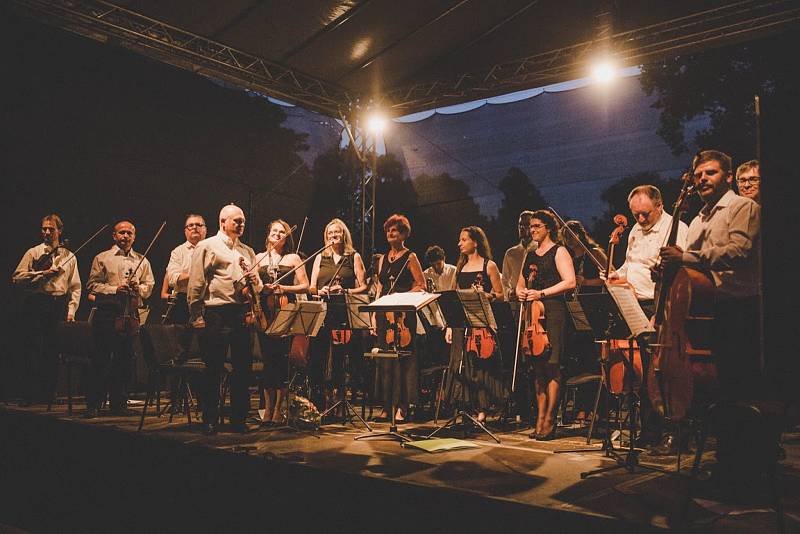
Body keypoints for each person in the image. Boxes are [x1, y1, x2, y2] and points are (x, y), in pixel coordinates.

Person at [659, 150, 761, 485]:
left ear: (728, 177)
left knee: (736, 391)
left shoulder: (742, 207)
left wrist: (686, 256)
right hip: (707, 312)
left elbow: (740, 251)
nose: (703, 179)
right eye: (698, 174)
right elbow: (691, 268)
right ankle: (724, 463)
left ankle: (743, 469)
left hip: (737, 308)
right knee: (717, 394)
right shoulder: (699, 219)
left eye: (711, 173)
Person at [607, 184, 689, 454]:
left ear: (660, 206)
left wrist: (661, 309)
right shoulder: (634, 230)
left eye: (645, 214)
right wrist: (613, 274)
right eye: (636, 215)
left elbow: (681, 272)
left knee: (663, 371)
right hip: (635, 303)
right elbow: (630, 265)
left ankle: (672, 431)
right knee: (644, 373)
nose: (640, 220)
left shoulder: (676, 228)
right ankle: (648, 430)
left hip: (661, 305)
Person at [187, 204, 262, 435]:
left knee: (242, 368)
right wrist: (196, 315)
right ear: (222, 222)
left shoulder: (248, 251)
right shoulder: (207, 245)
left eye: (243, 221)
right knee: (214, 369)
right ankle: (210, 418)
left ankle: (238, 419)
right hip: (216, 313)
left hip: (241, 314)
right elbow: (196, 283)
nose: (241, 224)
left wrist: (254, 281)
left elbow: (257, 286)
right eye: (236, 221)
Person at [516, 210, 576, 440]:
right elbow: (518, 285)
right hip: (533, 316)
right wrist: (521, 293)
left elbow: (569, 282)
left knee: (552, 367)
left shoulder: (559, 251)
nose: (533, 230)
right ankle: (539, 417)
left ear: (548, 228)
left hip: (553, 313)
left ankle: (550, 418)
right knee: (537, 370)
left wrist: (540, 293)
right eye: (531, 226)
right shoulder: (529, 255)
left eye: (537, 226)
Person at [86, 221, 155, 418]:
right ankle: (94, 403)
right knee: (101, 358)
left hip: (129, 314)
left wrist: (138, 287)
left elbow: (149, 287)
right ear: (114, 235)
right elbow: (92, 285)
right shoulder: (102, 258)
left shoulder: (143, 261)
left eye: (129, 233)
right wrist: (114, 289)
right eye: (121, 232)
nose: (125, 236)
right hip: (108, 312)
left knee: (124, 360)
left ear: (134, 237)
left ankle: (119, 403)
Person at [12, 214, 81, 405]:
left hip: (58, 305)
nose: (47, 232)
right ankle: (29, 394)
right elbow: (17, 278)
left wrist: (71, 311)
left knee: (53, 350)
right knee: (33, 348)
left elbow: (75, 286)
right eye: (44, 229)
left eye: (51, 229)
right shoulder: (33, 253)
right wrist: (42, 273)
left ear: (59, 231)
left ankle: (48, 394)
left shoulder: (70, 257)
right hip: (37, 302)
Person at [443, 226, 505, 424]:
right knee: (461, 365)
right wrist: (450, 326)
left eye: (463, 239)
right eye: (459, 240)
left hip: (480, 324)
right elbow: (453, 297)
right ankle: (465, 407)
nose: (459, 243)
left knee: (480, 367)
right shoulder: (459, 267)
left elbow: (500, 295)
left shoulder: (489, 265)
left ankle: (483, 407)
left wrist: (485, 295)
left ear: (475, 242)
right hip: (462, 324)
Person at [254, 219, 309, 424]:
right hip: (264, 315)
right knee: (268, 361)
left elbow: (305, 285)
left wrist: (283, 289)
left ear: (287, 237)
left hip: (285, 312)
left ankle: (279, 408)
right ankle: (267, 408)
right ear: (268, 235)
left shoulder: (293, 258)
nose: (277, 234)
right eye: (274, 231)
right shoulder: (258, 258)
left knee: (282, 361)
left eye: (282, 232)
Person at [372, 214, 426, 423]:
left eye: (394, 230)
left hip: (403, 315)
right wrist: (374, 317)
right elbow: (379, 287)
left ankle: (402, 407)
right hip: (384, 314)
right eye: (388, 230)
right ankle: (387, 405)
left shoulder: (410, 257)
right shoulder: (382, 259)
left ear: (403, 234)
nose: (390, 233)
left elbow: (421, 284)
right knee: (385, 360)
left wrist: (402, 297)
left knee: (403, 359)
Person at [560, 220, 607, 424]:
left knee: (594, 361)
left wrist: (586, 282)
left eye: (571, 235)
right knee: (579, 362)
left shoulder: (593, 252)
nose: (569, 240)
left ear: (580, 233)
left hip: (594, 308)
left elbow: (608, 277)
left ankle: (597, 408)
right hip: (575, 310)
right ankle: (581, 407)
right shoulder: (568, 257)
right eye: (565, 236)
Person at [164, 214, 207, 325]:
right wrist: (200, 274)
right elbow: (173, 279)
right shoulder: (178, 252)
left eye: (198, 225)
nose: (194, 227)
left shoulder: (213, 249)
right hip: (183, 302)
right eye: (190, 225)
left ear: (205, 229)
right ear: (185, 231)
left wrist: (188, 276)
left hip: (208, 301)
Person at [501, 210, 536, 301]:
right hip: (514, 302)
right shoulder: (510, 253)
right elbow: (504, 280)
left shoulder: (539, 249)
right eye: (520, 225)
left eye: (526, 225)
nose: (522, 227)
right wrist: (509, 293)